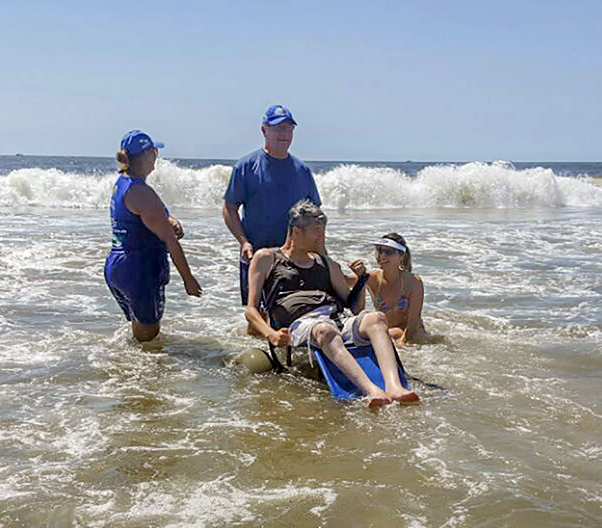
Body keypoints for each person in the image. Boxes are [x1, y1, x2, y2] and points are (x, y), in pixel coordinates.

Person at [245, 201, 419, 407]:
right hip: (301, 324)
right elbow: (251, 309)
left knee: (376, 319)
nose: (321, 237)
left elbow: (355, 308)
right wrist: (271, 334)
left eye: (322, 231)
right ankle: (371, 390)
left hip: (335, 318)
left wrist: (361, 279)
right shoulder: (267, 257)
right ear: (296, 231)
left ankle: (394, 386)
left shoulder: (325, 262)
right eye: (316, 232)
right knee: (325, 330)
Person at [104, 130, 201, 342]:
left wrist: (171, 220)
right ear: (147, 154)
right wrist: (188, 279)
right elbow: (170, 241)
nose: (157, 155)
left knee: (138, 333)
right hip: (139, 271)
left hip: (117, 266)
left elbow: (142, 217)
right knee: (149, 341)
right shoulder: (141, 192)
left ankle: (122, 372)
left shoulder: (123, 182)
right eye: (154, 150)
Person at [223, 104, 322, 309]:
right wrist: (243, 242)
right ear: (264, 130)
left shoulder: (302, 170)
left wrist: (319, 253)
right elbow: (229, 208)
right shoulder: (246, 166)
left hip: (293, 259)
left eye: (288, 128)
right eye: (278, 128)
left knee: (292, 313)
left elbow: (316, 217)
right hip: (255, 257)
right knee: (255, 317)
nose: (284, 134)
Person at [366, 233, 427, 347]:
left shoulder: (413, 282)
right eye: (379, 250)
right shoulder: (371, 278)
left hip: (411, 333)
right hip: (389, 332)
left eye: (388, 252)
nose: (382, 256)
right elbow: (342, 281)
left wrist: (403, 343)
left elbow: (413, 321)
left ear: (401, 256)